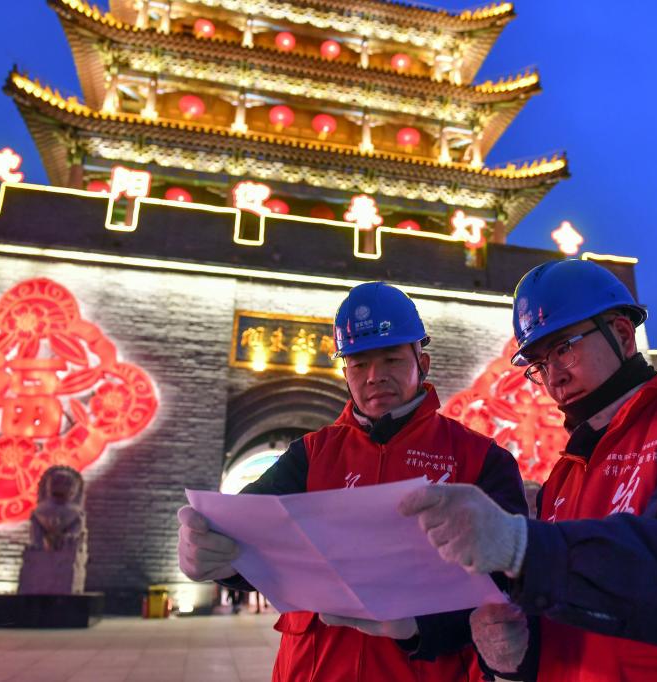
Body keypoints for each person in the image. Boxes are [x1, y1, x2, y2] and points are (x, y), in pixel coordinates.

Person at [399, 258, 657, 681]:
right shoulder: (563, 477)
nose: (554, 377)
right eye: (539, 365)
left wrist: (522, 546)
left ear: (622, 334)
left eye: (563, 348)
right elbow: (576, 613)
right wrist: (517, 656)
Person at [177, 281, 528, 682]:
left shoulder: (481, 460)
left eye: (391, 359)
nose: (375, 376)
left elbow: (510, 586)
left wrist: (422, 627)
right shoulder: (309, 456)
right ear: (345, 372)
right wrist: (213, 556)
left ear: (423, 363)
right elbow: (250, 540)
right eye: (359, 364)